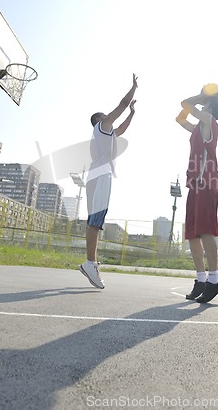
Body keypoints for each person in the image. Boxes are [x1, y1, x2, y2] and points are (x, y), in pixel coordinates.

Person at [79, 74, 138, 289]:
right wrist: (133, 88)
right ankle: (90, 263)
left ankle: (90, 263)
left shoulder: (107, 134)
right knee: (95, 221)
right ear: (100, 119)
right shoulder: (102, 126)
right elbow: (121, 105)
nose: (108, 117)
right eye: (105, 116)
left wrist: (132, 114)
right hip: (100, 176)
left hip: (99, 175)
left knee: (95, 221)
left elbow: (121, 129)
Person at [176, 87, 218, 303]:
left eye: (204, 104)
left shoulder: (209, 121)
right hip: (195, 183)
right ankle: (201, 279)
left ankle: (214, 280)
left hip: (207, 182)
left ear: (208, 108)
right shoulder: (198, 128)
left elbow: (185, 102)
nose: (201, 106)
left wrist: (203, 95)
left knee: (205, 231)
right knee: (193, 235)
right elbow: (180, 118)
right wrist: (201, 98)